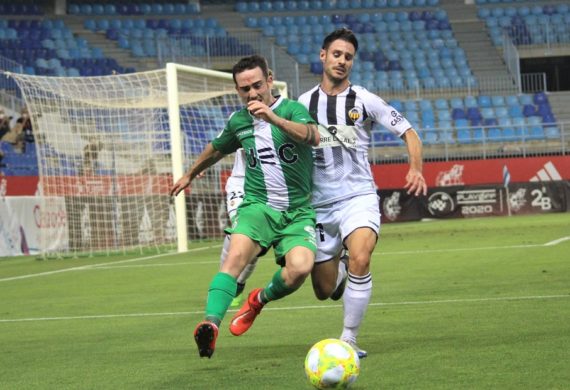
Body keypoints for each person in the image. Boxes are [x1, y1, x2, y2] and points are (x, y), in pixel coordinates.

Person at [170, 55, 320, 358]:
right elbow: (217, 148)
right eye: (244, 89)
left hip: (298, 212)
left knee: (300, 269)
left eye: (256, 86)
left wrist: (273, 118)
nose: (252, 94)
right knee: (235, 256)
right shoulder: (239, 121)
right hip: (258, 207)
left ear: (269, 79)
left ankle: (257, 301)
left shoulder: (293, 110)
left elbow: (313, 137)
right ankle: (210, 325)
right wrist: (190, 173)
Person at [297, 28, 428, 358]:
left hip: (358, 196)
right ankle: (339, 264)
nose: (342, 61)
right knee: (325, 290)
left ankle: (349, 339)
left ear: (353, 62)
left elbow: (409, 132)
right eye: (337, 54)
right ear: (323, 55)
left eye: (348, 57)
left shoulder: (364, 100)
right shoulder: (302, 104)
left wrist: (415, 167)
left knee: (361, 257)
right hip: (320, 205)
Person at [220, 149, 258, 307]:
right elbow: (222, 144)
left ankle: (240, 283)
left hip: (271, 185)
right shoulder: (239, 123)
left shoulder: (284, 123)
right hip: (241, 182)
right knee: (240, 229)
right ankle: (222, 284)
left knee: (256, 238)